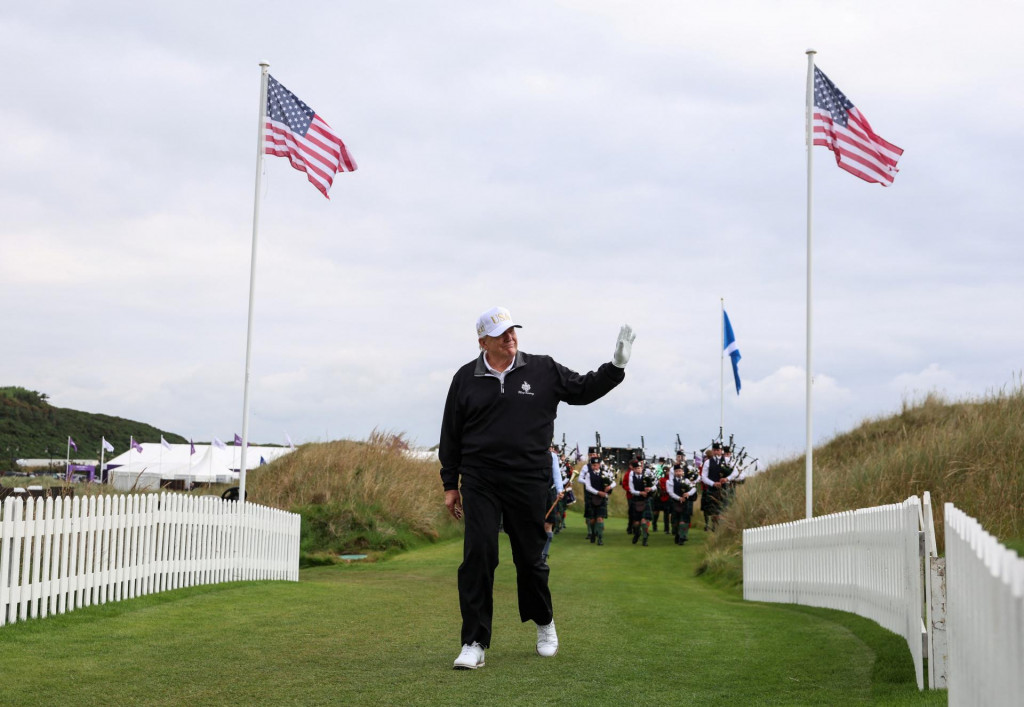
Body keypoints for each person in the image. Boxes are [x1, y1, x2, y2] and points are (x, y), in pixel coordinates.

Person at [440, 306, 635, 670]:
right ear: (482, 342)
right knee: (478, 554)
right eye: (500, 334)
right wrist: (451, 483)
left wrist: (616, 367)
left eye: (512, 330)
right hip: (480, 478)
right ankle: (474, 642)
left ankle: (544, 622)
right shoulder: (465, 378)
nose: (509, 337)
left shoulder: (543, 369)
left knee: (529, 558)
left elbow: (583, 389)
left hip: (528, 478)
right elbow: (451, 433)